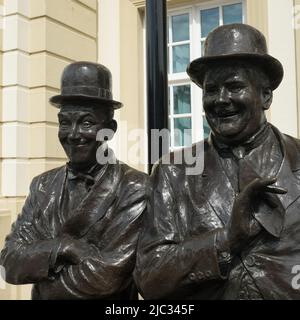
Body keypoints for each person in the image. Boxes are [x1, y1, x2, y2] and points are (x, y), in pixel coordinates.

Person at [134, 23, 300, 299]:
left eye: (234, 86)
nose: (221, 100)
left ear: (266, 95)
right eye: (211, 90)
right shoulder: (172, 172)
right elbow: (149, 279)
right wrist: (225, 240)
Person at [0, 61, 148, 300]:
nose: (73, 134)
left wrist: (43, 280)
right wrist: (64, 247)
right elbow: (8, 262)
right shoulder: (42, 186)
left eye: (87, 122)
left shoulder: (135, 187)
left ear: (109, 129)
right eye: (64, 122)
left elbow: (108, 276)